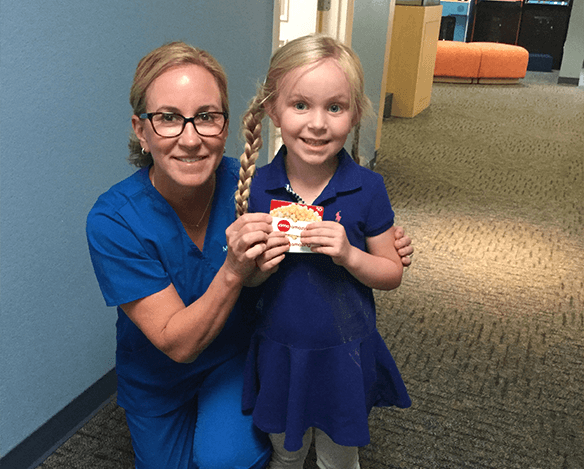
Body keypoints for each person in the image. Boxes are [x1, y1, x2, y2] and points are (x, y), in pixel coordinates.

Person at [86, 41, 412, 469]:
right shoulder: (115, 220)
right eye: (168, 118)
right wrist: (234, 269)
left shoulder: (254, 186)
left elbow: (334, 205)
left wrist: (376, 243)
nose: (190, 138)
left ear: (224, 126)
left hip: (234, 359)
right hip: (159, 375)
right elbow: (177, 344)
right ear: (141, 130)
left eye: (206, 117)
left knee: (230, 461)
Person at [235, 35, 412, 469]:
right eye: (300, 105)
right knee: (286, 452)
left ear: (354, 115)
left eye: (335, 107)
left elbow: (391, 273)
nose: (318, 123)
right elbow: (250, 279)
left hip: (343, 350)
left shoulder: (368, 188)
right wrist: (257, 266)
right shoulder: (258, 186)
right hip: (280, 347)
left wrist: (350, 255)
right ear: (273, 110)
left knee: (338, 456)